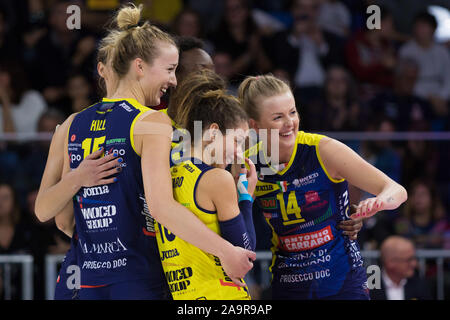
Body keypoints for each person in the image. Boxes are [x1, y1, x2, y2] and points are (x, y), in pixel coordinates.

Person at [35, 3, 255, 300]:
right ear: (139, 66)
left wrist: (78, 180)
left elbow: (59, 218)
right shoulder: (153, 122)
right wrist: (227, 249)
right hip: (139, 274)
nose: (174, 80)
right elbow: (162, 207)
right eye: (170, 69)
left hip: (84, 275)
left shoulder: (74, 123)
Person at [238, 74, 408, 300]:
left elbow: (396, 190)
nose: (290, 123)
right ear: (254, 125)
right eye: (278, 117)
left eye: (293, 112)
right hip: (289, 284)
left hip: (342, 282)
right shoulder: (247, 164)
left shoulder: (323, 150)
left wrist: (379, 202)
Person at [157, 69, 256, 299]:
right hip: (221, 294)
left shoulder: (165, 174)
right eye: (237, 141)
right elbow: (245, 253)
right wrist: (245, 198)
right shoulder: (217, 180)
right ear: (213, 132)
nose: (240, 153)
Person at [370, 236, 432, 300]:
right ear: (390, 262)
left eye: (414, 258)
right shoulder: (367, 286)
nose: (414, 264)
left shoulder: (420, 285)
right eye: (409, 260)